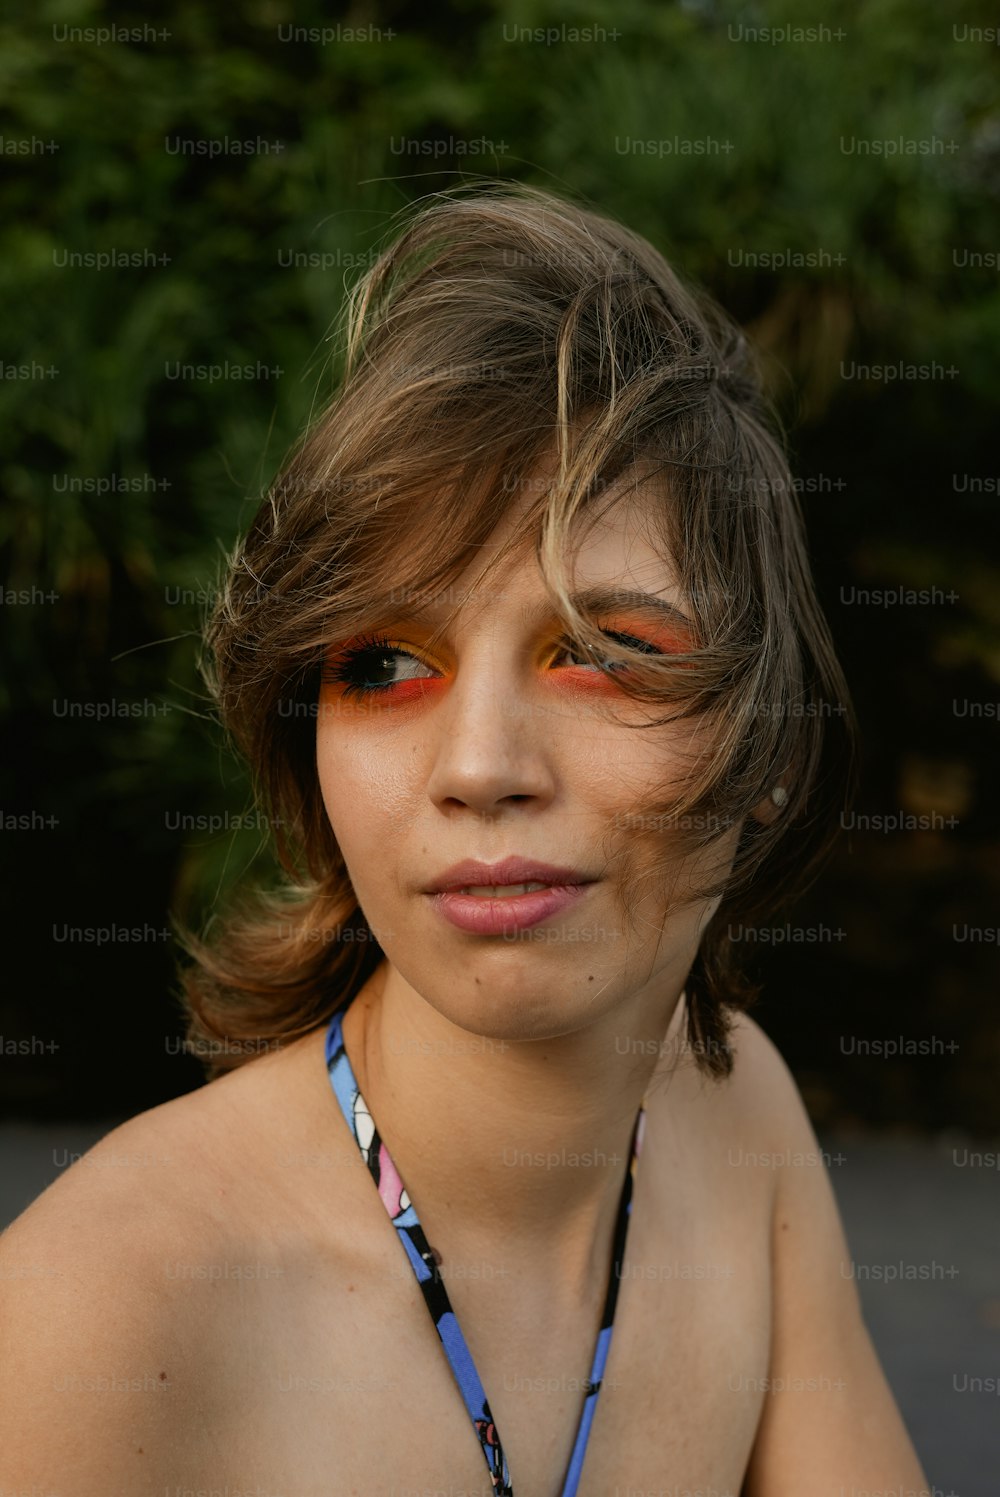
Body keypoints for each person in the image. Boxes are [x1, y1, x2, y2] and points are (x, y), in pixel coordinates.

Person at [0, 182, 929, 1495]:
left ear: (770, 752)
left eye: (604, 653)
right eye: (383, 661)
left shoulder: (733, 1113)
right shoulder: (95, 1320)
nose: (480, 766)